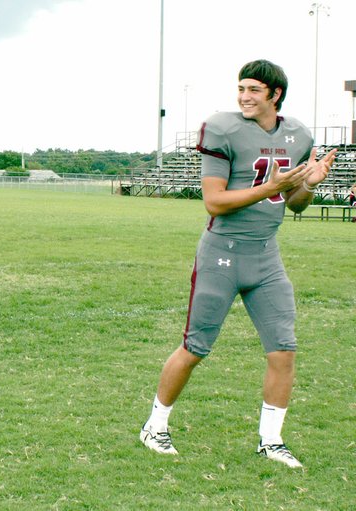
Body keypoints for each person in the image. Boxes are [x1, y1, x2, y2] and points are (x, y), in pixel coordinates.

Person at [139, 60, 337, 468]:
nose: (243, 96)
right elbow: (213, 201)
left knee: (284, 349)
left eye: (253, 90)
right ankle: (154, 426)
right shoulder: (223, 128)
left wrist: (308, 186)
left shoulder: (297, 133)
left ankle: (271, 440)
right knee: (195, 347)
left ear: (275, 95)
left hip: (267, 256)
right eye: (241, 88)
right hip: (222, 255)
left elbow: (294, 204)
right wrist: (272, 186)